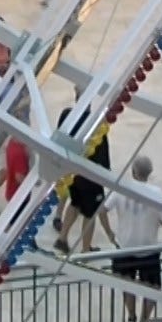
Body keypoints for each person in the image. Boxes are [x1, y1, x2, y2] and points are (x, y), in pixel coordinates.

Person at [103, 156, 162, 322]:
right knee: (152, 287)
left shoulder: (121, 188)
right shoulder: (156, 193)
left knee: (127, 284)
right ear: (150, 172)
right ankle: (144, 321)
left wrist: (110, 233)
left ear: (133, 171)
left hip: (125, 246)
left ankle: (131, 317)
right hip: (149, 247)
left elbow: (102, 210)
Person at [54, 106, 109, 254]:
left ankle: (62, 238)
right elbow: (101, 151)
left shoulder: (67, 114)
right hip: (90, 174)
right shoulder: (96, 122)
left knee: (75, 203)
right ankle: (85, 249)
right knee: (90, 213)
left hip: (72, 170)